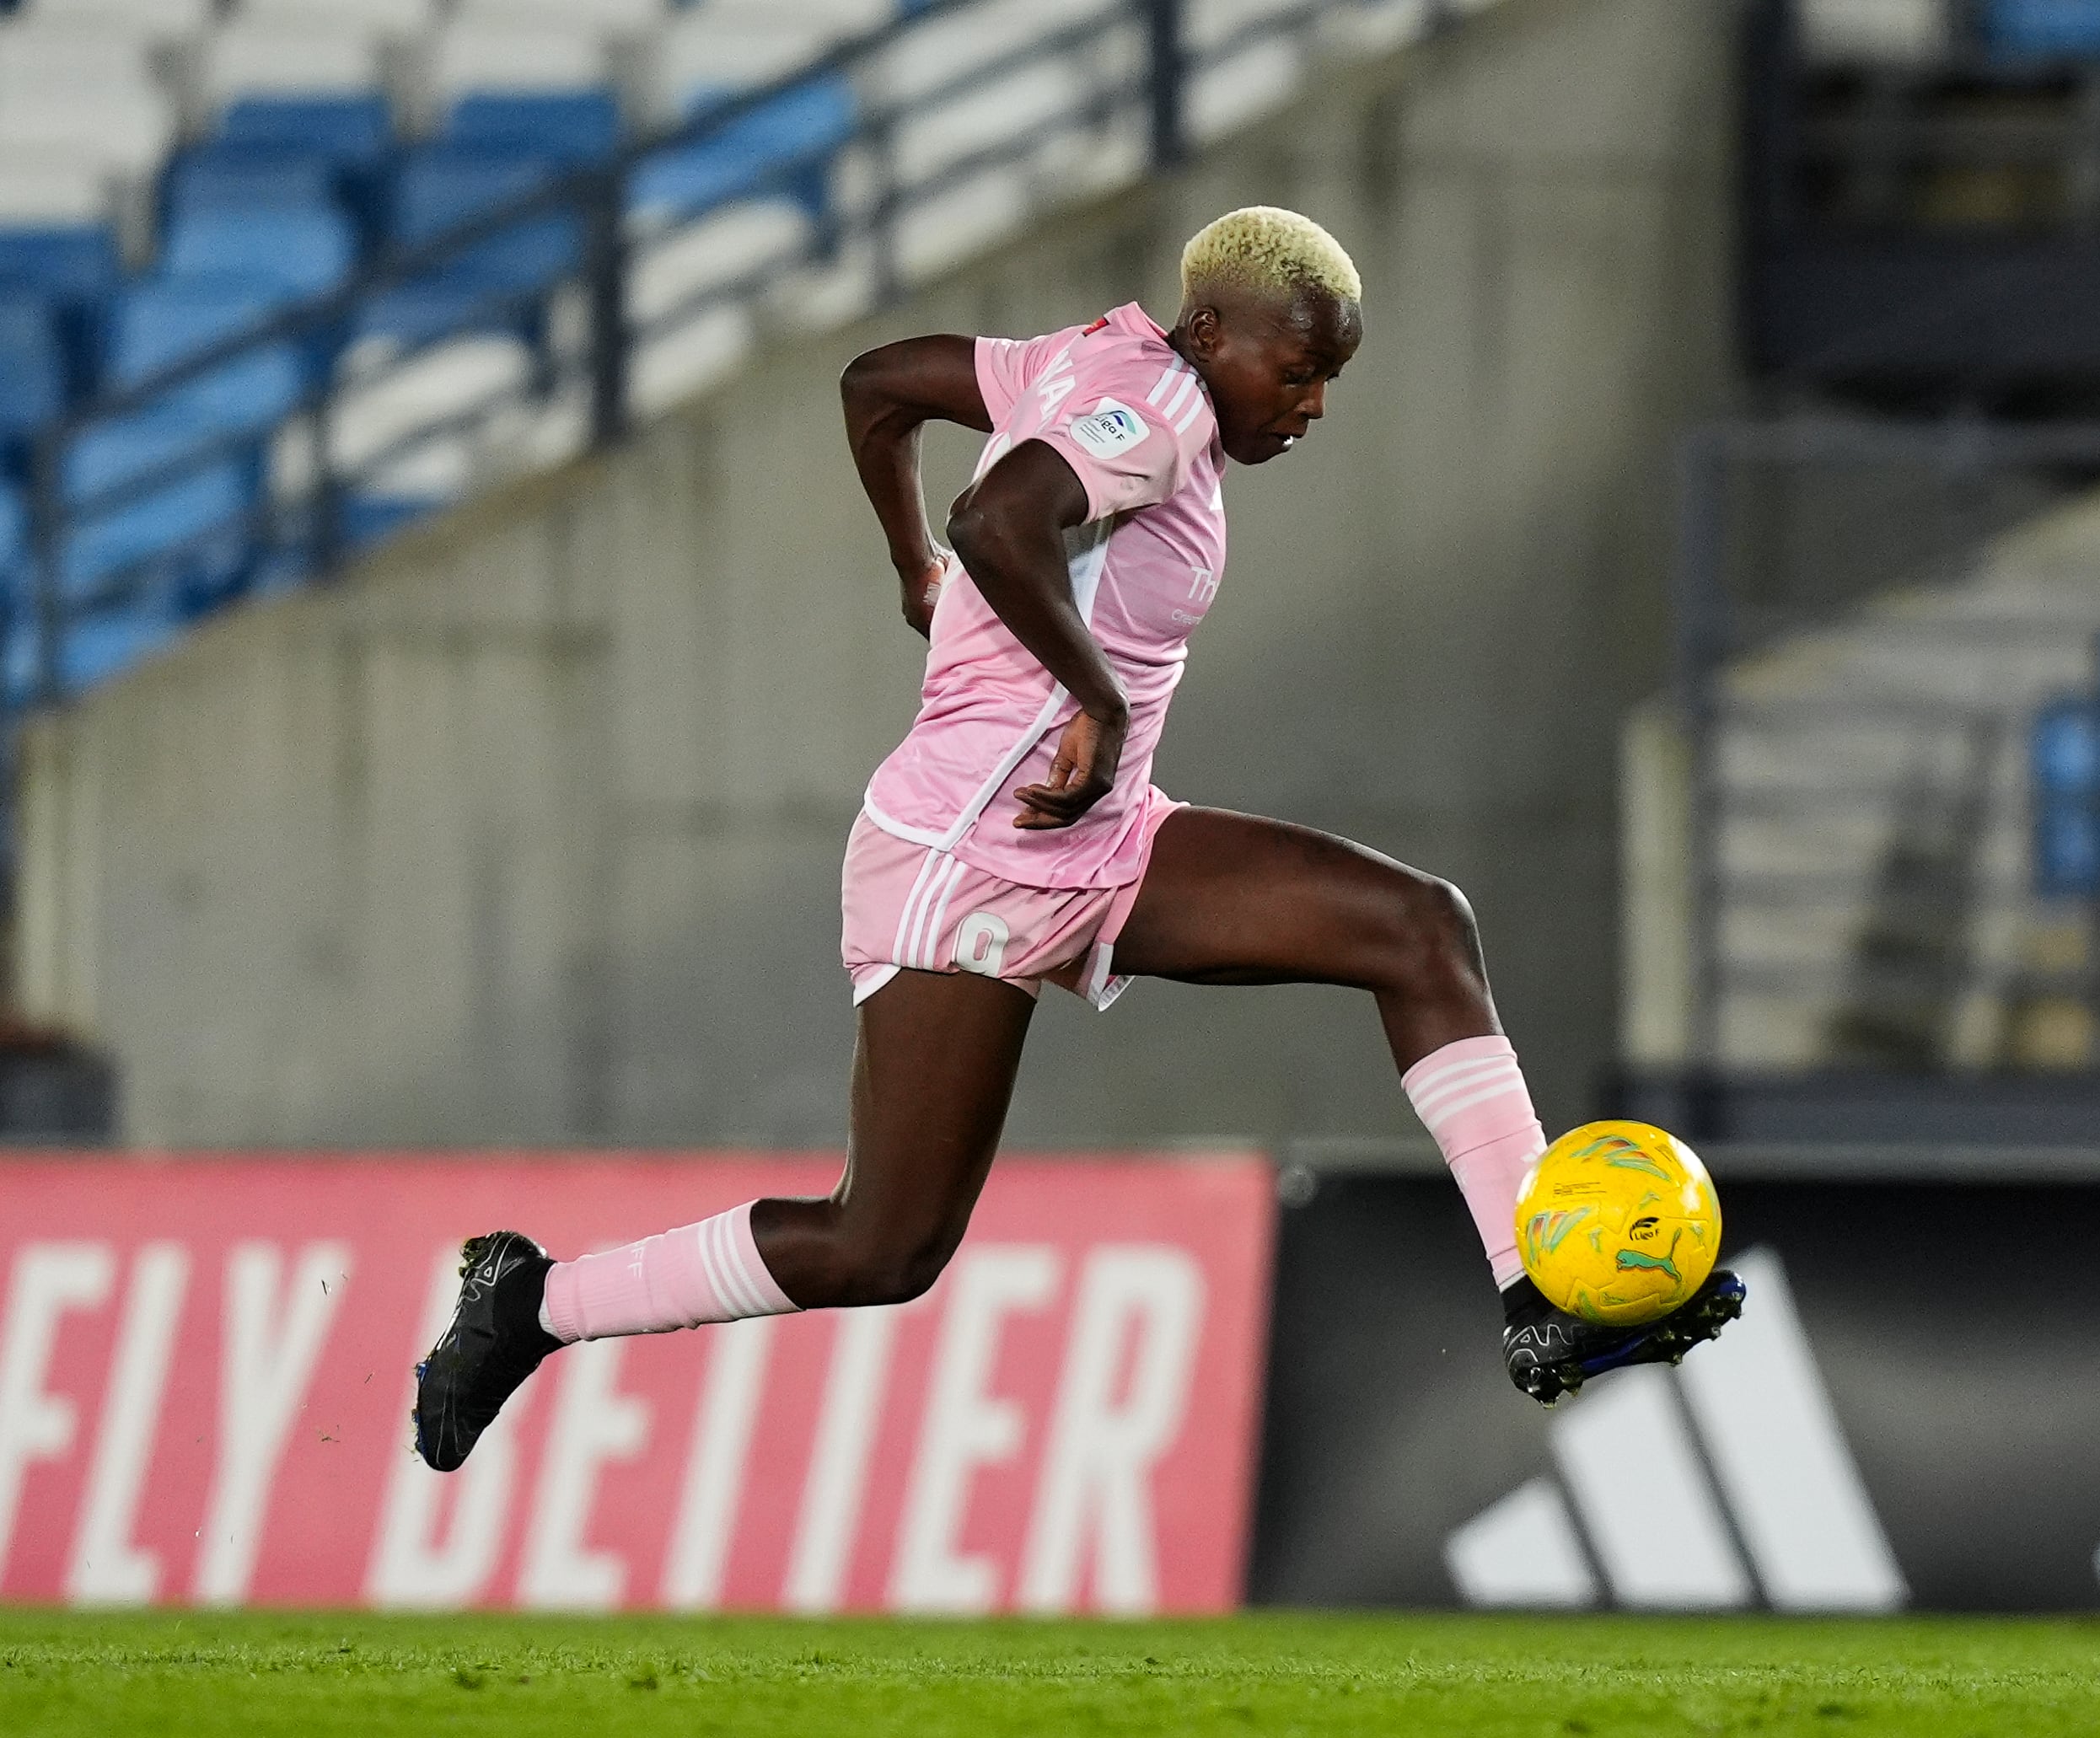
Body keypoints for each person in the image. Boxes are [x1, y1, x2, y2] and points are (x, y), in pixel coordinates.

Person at [412, 207, 1742, 1471]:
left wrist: (903, 569)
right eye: (1300, 367)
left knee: (1416, 928)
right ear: (1215, 333)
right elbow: (996, 520)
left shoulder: (1081, 362)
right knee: (883, 1244)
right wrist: (1084, 690)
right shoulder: (1152, 410)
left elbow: (879, 382)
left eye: (1330, 376)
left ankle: (1537, 1295)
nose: (1314, 402)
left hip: (1097, 839)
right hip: (969, 859)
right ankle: (534, 1302)